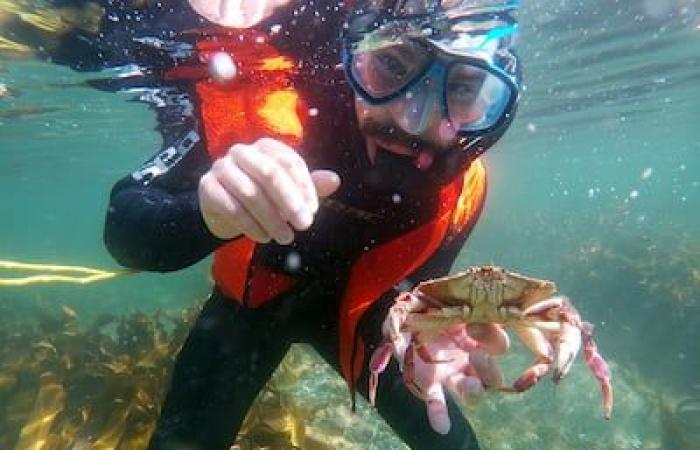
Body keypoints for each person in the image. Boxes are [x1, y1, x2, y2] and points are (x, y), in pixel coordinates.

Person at [95, 0, 522, 448]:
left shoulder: (464, 189)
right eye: (392, 65)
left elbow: (413, 285)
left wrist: (426, 334)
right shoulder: (277, 117)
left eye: (464, 87)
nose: (412, 119)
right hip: (250, 312)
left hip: (366, 322)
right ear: (352, 56)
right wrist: (207, 214)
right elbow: (127, 230)